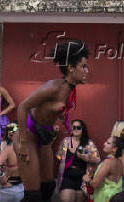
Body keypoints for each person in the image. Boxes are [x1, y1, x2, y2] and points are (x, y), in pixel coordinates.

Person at [14, 40, 89, 202]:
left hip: (45, 136)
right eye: (83, 66)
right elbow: (22, 107)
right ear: (70, 67)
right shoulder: (53, 87)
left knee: (48, 188)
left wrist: (63, 119)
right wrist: (22, 142)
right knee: (33, 196)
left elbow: (58, 109)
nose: (87, 71)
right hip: (28, 135)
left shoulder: (71, 90)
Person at [56, 119, 100, 202]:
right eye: (73, 127)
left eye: (78, 127)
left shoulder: (89, 143)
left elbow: (97, 159)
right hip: (68, 175)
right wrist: (61, 153)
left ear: (82, 129)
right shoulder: (66, 141)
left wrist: (86, 158)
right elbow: (58, 156)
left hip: (82, 176)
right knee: (67, 199)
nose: (75, 129)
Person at [82, 135, 124, 202]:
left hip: (106, 198)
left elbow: (95, 184)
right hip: (116, 196)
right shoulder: (119, 161)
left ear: (114, 148)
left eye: (108, 143)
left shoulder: (108, 162)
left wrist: (88, 180)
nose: (104, 144)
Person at [0, 122, 24, 202]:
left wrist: (2, 178)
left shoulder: (7, 148)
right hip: (21, 187)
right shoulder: (25, 147)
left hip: (9, 187)